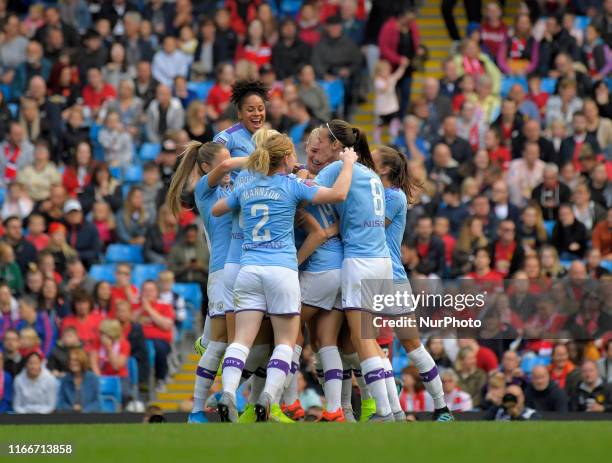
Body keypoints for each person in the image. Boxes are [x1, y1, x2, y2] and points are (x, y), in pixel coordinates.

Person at [212, 129, 356, 423]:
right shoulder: (292, 186)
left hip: (248, 270)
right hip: (281, 271)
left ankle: (227, 393)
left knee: (241, 340)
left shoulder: (248, 185)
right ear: (287, 157)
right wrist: (349, 163)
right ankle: (269, 396)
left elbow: (217, 210)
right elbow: (338, 194)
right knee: (285, 342)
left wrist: (241, 199)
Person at [371, 145, 452, 421]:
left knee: (412, 345)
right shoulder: (380, 192)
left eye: (372, 157)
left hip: (391, 279)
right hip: (372, 278)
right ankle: (391, 410)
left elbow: (369, 228)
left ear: (384, 169)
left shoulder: (392, 197)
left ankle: (441, 406)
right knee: (373, 346)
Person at [312, 15, 363, 119]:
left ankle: (344, 116)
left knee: (347, 88)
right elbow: (315, 62)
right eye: (332, 26)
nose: (335, 29)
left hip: (344, 76)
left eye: (337, 26)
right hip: (325, 77)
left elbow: (358, 61)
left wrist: (349, 70)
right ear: (327, 28)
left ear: (341, 27)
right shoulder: (320, 45)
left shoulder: (349, 44)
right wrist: (324, 75)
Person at [378, 6, 419, 119]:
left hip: (407, 67)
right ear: (401, 17)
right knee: (392, 94)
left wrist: (417, 51)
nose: (410, 22)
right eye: (408, 19)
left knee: (406, 93)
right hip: (391, 67)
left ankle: (402, 118)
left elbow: (415, 41)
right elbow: (383, 48)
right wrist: (398, 59)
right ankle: (389, 118)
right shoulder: (389, 26)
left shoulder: (412, 26)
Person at [134, 281, 174, 392]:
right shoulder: (135, 305)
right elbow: (130, 322)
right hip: (139, 340)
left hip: (160, 340)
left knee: (159, 348)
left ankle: (160, 378)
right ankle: (141, 382)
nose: (148, 293)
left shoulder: (165, 306)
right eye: (145, 290)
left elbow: (166, 325)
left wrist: (149, 309)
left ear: (157, 292)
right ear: (141, 292)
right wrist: (142, 308)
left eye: (151, 290)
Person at [57, 348, 101, 413]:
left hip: (89, 415)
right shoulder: (65, 380)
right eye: (70, 360)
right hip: (70, 415)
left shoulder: (92, 378)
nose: (72, 363)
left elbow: (98, 402)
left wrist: (84, 411)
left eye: (76, 360)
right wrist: (72, 409)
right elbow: (61, 403)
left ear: (82, 361)